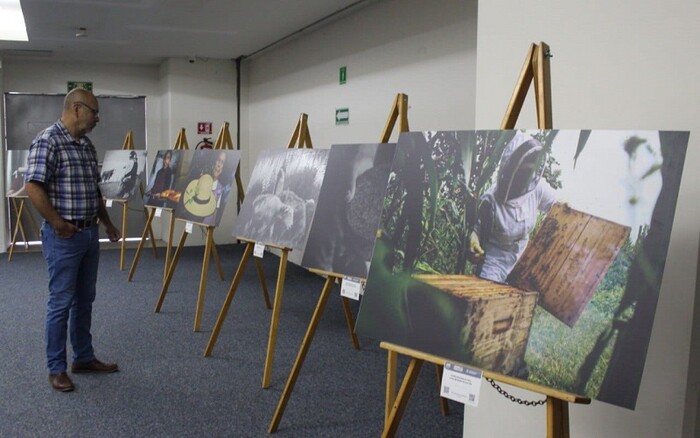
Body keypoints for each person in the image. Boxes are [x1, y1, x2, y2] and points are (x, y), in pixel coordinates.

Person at [24, 88, 122, 393]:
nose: (97, 119)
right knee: (61, 303)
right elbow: (33, 187)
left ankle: (83, 358)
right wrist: (57, 223)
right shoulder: (48, 140)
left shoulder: (86, 147)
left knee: (85, 300)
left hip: (89, 234)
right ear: (77, 109)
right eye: (94, 112)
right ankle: (56, 368)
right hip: (63, 237)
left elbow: (93, 192)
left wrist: (106, 223)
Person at [469, 132, 557, 282]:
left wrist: (566, 207)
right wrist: (473, 243)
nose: (527, 177)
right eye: (524, 171)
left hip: (522, 264)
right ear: (511, 169)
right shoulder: (490, 201)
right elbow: (476, 231)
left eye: (531, 171)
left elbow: (558, 208)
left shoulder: (537, 189)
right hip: (492, 266)